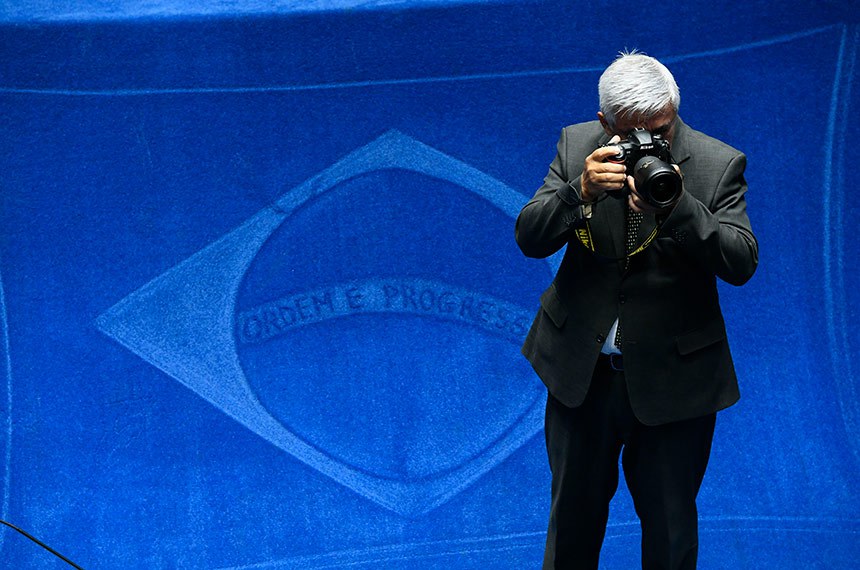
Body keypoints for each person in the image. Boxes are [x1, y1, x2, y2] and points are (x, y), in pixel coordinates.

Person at [515, 52, 758, 569]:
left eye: (662, 131)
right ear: (605, 124)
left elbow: (741, 263)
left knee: (670, 534)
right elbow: (530, 237)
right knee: (571, 526)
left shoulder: (718, 163)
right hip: (583, 376)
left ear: (674, 110)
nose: (650, 144)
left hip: (675, 381)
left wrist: (678, 207)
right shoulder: (577, 146)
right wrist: (575, 193)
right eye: (633, 134)